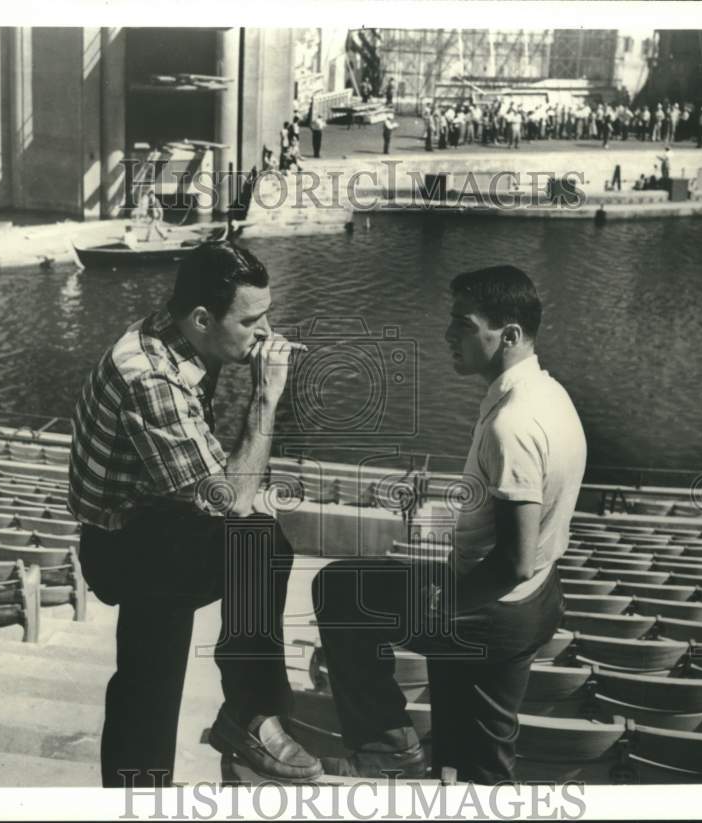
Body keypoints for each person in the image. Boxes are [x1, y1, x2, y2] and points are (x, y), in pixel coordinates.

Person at [313, 266, 587, 784]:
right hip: (536, 598)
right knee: (475, 761)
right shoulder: (549, 394)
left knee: (339, 591)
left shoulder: (514, 425)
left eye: (462, 325)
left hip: (492, 608)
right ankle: (419, 763)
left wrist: (443, 604)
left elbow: (513, 559)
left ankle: (386, 752)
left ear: (508, 336)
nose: (446, 335)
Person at [70, 242, 323, 788]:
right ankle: (248, 714)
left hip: (149, 514)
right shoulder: (153, 379)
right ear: (204, 317)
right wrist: (265, 398)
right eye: (252, 320)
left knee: (147, 677)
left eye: (268, 315)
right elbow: (231, 498)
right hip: (124, 545)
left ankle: (139, 788)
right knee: (260, 541)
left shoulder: (175, 331)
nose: (266, 332)